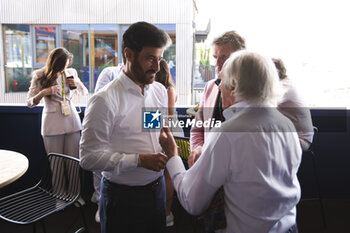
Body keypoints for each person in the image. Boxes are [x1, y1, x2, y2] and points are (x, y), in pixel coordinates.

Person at [159, 50, 302, 233]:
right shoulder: (287, 125)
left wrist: (173, 156)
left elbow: (192, 202)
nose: (218, 88)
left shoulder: (227, 134)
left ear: (233, 85)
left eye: (221, 82)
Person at [79, 21, 172, 233]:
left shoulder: (157, 90)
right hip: (122, 198)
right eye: (150, 58)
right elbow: (88, 157)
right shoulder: (104, 100)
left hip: (156, 191)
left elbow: (151, 130)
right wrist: (138, 160)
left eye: (159, 59)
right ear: (129, 54)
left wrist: (166, 145)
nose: (157, 68)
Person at [189, 30, 246, 167]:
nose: (218, 64)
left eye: (224, 57)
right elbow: (197, 128)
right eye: (216, 57)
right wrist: (198, 148)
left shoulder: (250, 93)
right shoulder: (209, 87)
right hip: (209, 167)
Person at [27, 47, 88, 158]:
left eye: (66, 65)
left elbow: (85, 92)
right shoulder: (40, 75)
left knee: (74, 163)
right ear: (54, 64)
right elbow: (30, 102)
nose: (64, 69)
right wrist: (44, 92)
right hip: (52, 124)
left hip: (72, 121)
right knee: (56, 165)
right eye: (62, 66)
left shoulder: (71, 72)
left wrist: (76, 83)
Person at [91, 63, 124, 223]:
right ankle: (100, 202)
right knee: (101, 168)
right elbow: (99, 102)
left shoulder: (155, 88)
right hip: (108, 129)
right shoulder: (109, 73)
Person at [273, 58, 314, 151]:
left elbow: (266, 106)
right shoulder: (286, 83)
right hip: (296, 136)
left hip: (301, 140)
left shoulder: (283, 87)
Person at [155, 59, 176, 227]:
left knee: (167, 174)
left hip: (168, 132)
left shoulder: (168, 90)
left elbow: (167, 117)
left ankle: (167, 212)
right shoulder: (155, 90)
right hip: (159, 131)